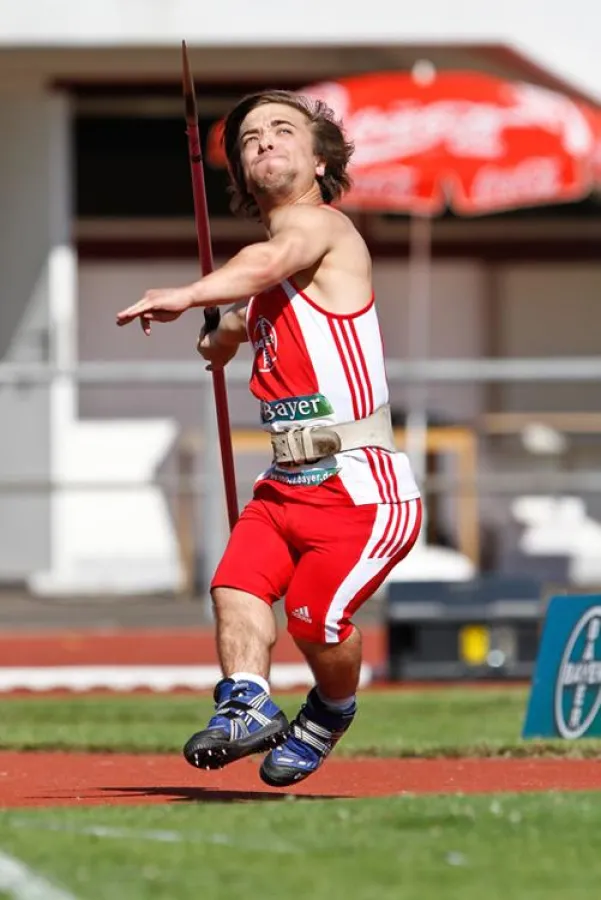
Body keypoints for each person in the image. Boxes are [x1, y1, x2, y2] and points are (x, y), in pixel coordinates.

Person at [116, 89, 422, 787]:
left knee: (316, 625)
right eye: (249, 138)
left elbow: (264, 263)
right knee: (234, 587)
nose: (263, 142)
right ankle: (246, 701)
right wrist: (219, 336)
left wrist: (187, 295)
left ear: (320, 161)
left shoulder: (323, 230)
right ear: (240, 174)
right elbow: (239, 314)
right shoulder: (264, 275)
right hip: (285, 485)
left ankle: (330, 709)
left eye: (284, 131)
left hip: (359, 487)